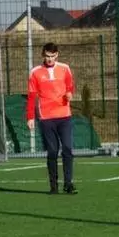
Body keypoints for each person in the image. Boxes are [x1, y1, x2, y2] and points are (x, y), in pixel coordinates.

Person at [26, 42, 77, 194]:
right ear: (43, 55)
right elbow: (31, 97)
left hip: (64, 116)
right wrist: (30, 117)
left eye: (52, 56)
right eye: (47, 56)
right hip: (46, 118)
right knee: (53, 151)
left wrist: (69, 93)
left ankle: (68, 184)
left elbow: (70, 86)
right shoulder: (35, 72)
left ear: (57, 55)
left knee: (67, 148)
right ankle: (53, 186)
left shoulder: (65, 68)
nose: (50, 59)